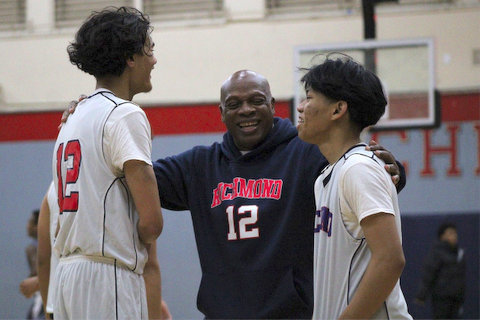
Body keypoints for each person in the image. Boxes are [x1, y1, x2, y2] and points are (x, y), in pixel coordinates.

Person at [64, 69, 406, 318]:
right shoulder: (200, 165)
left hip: (293, 313)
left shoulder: (306, 153)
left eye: (256, 101)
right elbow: (133, 172)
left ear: (272, 105)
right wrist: (93, 117)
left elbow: (360, 172)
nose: (246, 110)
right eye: (235, 103)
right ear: (222, 112)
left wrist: (394, 172)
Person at [52, 6, 163, 319]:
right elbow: (152, 223)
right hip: (106, 278)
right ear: (130, 57)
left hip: (67, 277)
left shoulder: (71, 119)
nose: (154, 59)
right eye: (149, 49)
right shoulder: (124, 114)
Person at [296, 54, 412, 319]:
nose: (301, 107)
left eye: (309, 98)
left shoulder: (358, 168)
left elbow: (390, 260)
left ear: (338, 110)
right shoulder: (328, 175)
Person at [415, 222, 466, 319]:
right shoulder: (437, 253)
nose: (454, 236)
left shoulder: (459, 254)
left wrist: (461, 295)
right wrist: (422, 294)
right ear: (442, 236)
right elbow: (429, 274)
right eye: (450, 233)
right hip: (441, 298)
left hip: (456, 298)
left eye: (455, 233)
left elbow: (462, 278)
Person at [19, 209, 44, 320]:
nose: (27, 226)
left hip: (49, 293)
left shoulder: (51, 246)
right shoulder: (30, 249)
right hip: (39, 293)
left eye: (30, 222)